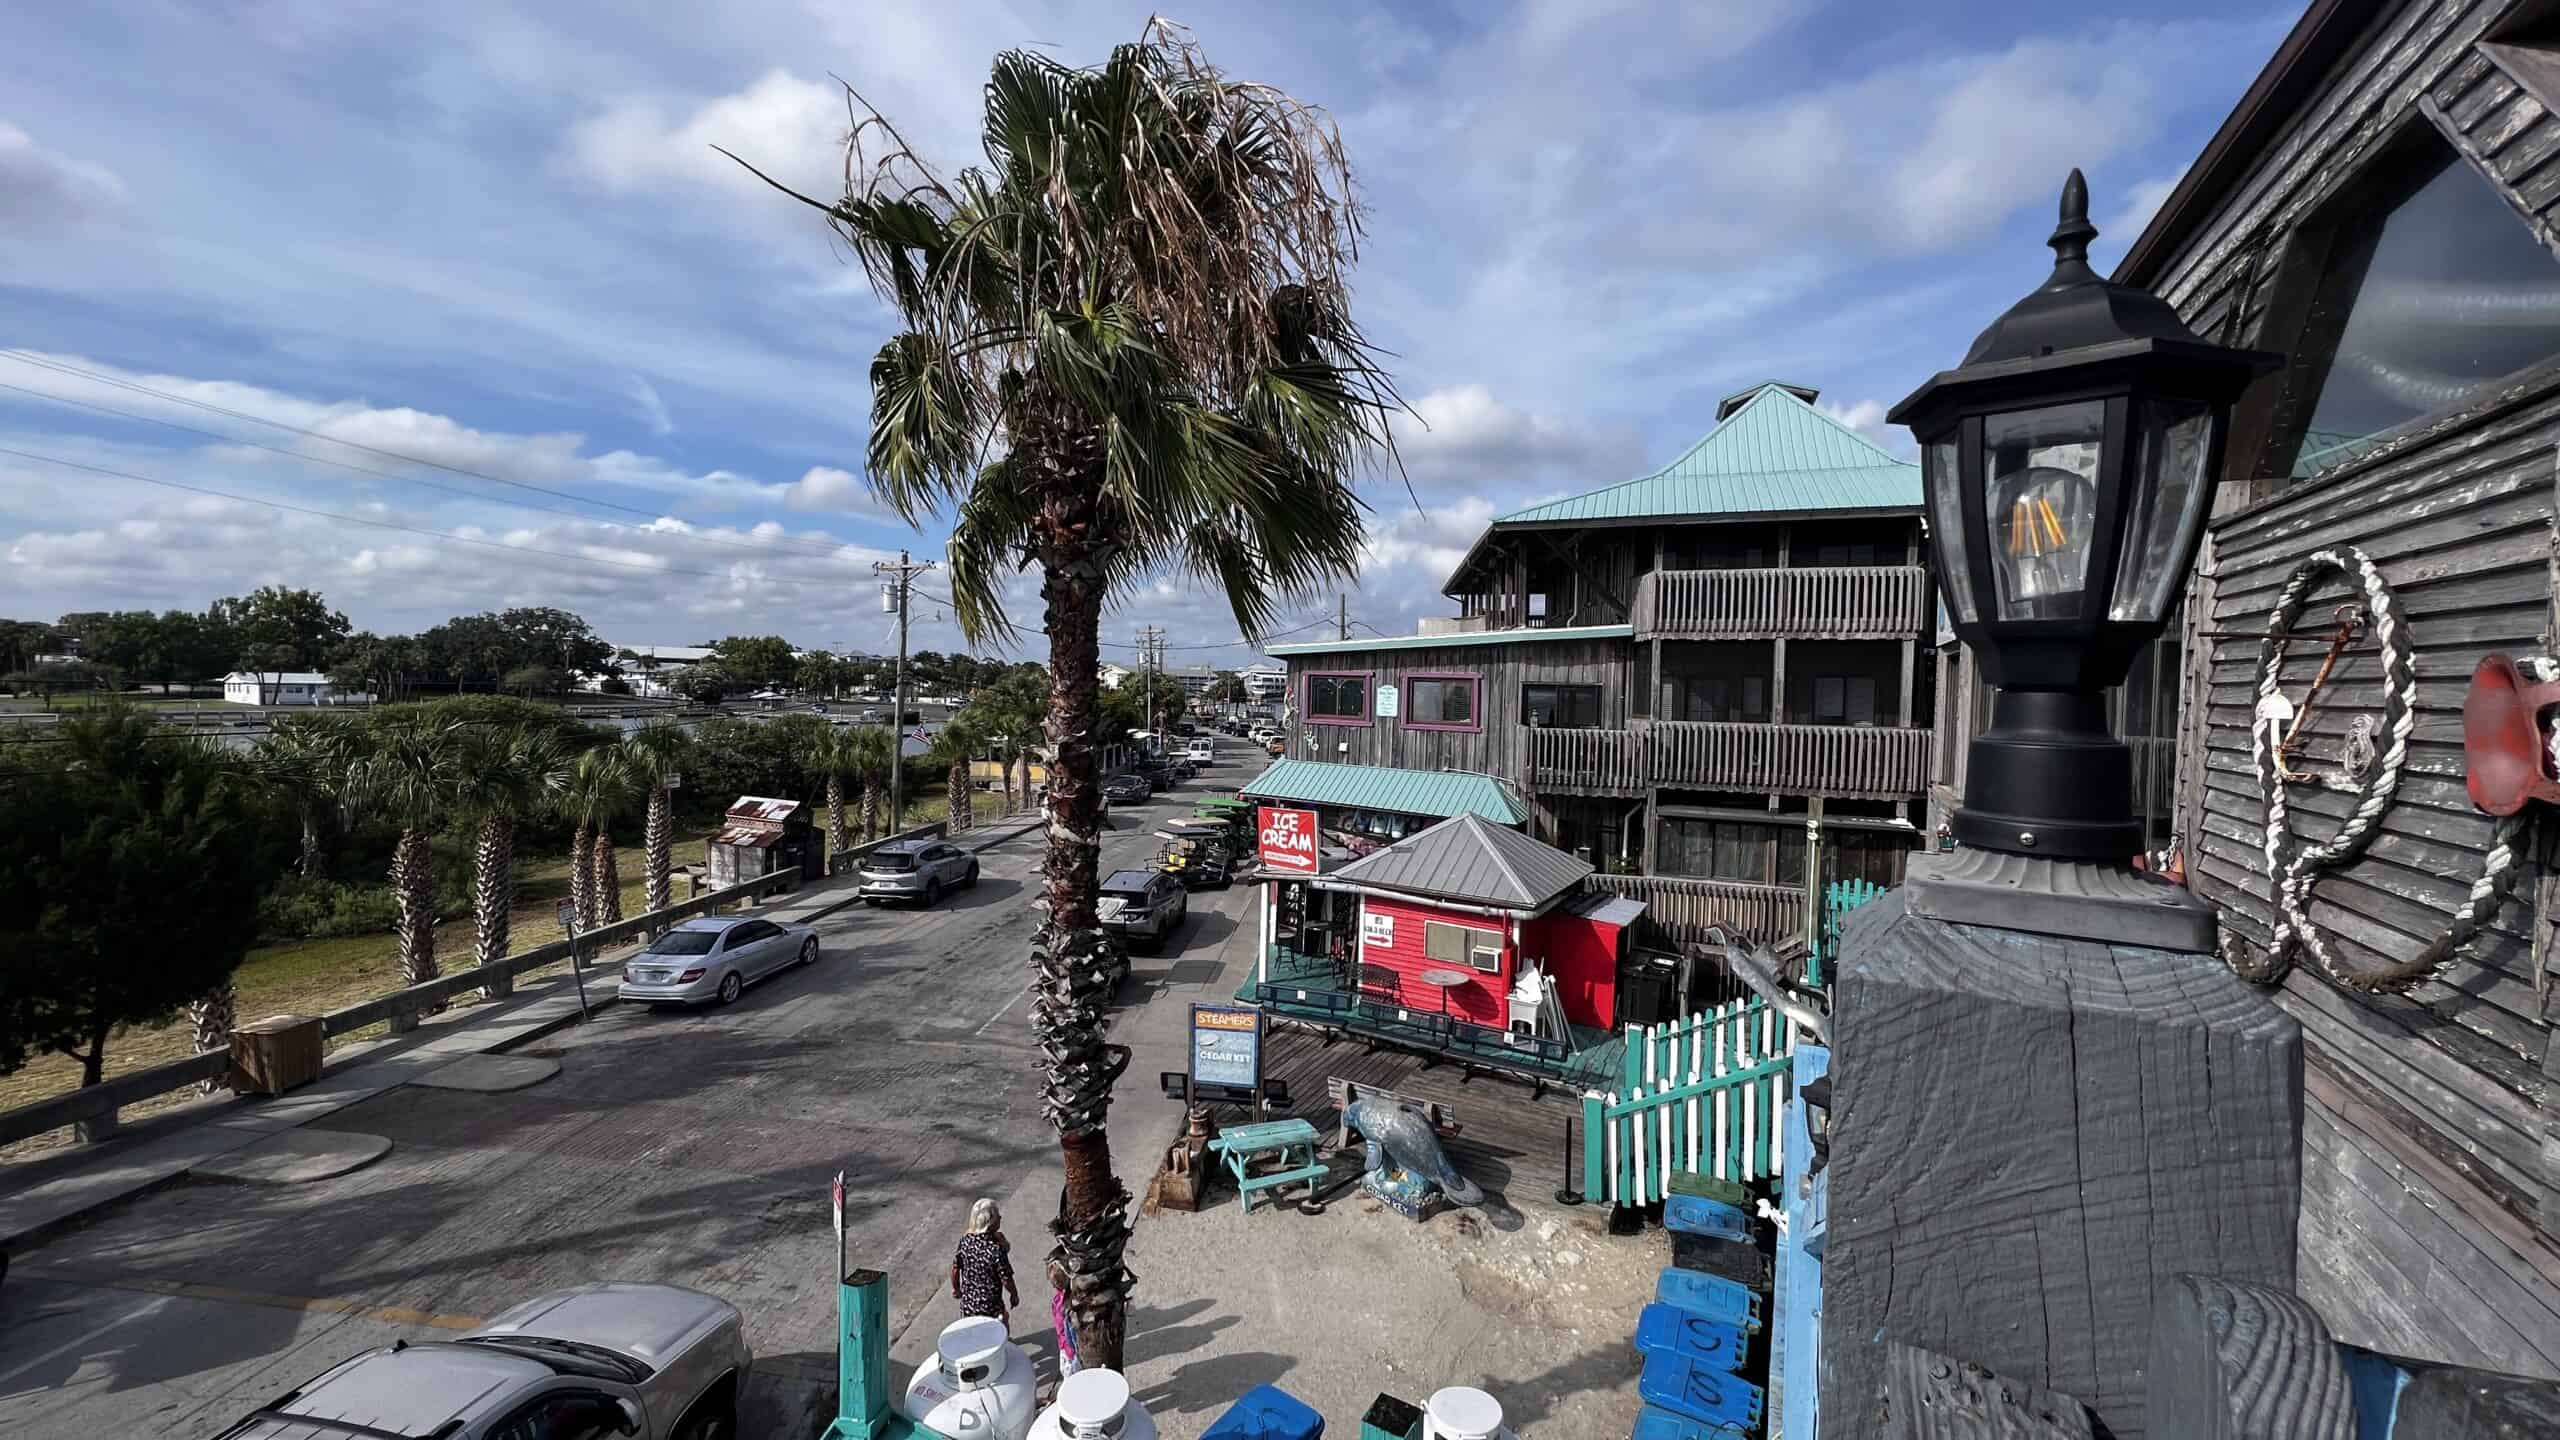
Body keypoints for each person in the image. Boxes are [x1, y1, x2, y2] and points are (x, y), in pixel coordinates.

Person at [950, 1197, 1019, 1330]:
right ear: (991, 1222)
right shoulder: (995, 1249)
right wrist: (1014, 1295)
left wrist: (956, 1289)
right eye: (997, 1215)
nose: (1000, 1217)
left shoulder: (965, 1241)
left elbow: (955, 1269)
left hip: (968, 1306)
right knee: (1002, 1325)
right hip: (991, 1308)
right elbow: (1006, 1279)